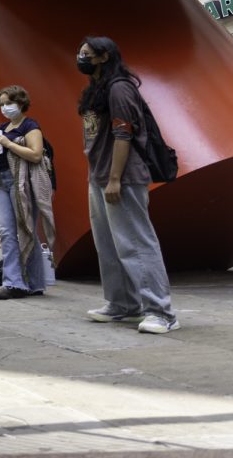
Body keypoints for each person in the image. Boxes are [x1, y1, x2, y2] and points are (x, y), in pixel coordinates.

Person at [77, 37, 179, 334]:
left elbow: (124, 135)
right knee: (108, 244)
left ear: (103, 56)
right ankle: (123, 305)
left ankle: (162, 311)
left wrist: (114, 179)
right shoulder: (96, 89)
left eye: (86, 54)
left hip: (121, 177)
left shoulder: (119, 88)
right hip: (99, 175)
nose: (80, 58)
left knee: (136, 242)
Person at [0, 85, 56, 300]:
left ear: (20, 103)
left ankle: (34, 283)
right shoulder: (3, 127)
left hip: (23, 184)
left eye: (9, 103)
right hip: (2, 182)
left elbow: (35, 155)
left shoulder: (30, 127)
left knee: (27, 230)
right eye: (2, 104)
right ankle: (13, 282)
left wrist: (8, 143)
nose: (5, 108)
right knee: (7, 232)